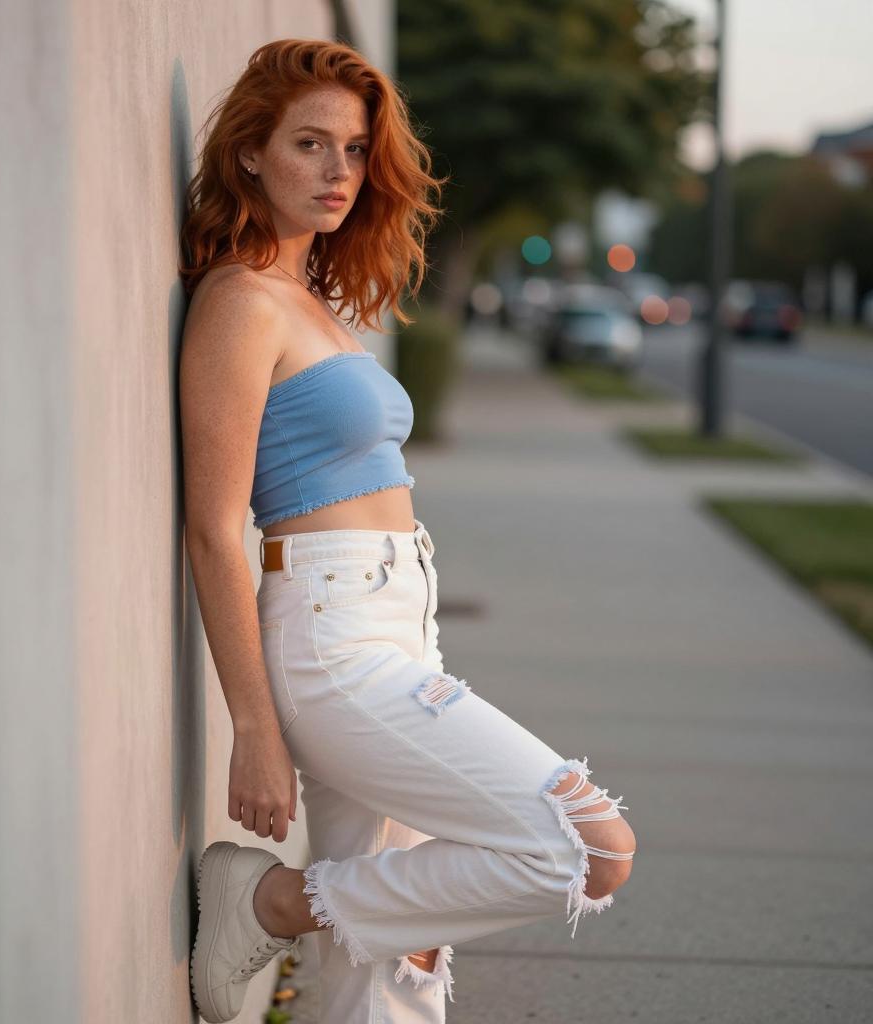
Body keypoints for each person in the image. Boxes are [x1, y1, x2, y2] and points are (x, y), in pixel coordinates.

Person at [178, 38, 636, 1024]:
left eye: (352, 149)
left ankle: (318, 923)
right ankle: (265, 899)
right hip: (332, 640)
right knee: (585, 846)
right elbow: (214, 527)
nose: (339, 172)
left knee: (378, 963)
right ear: (250, 152)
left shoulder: (315, 302)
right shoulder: (240, 302)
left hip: (396, 622)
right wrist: (253, 726)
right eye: (310, 144)